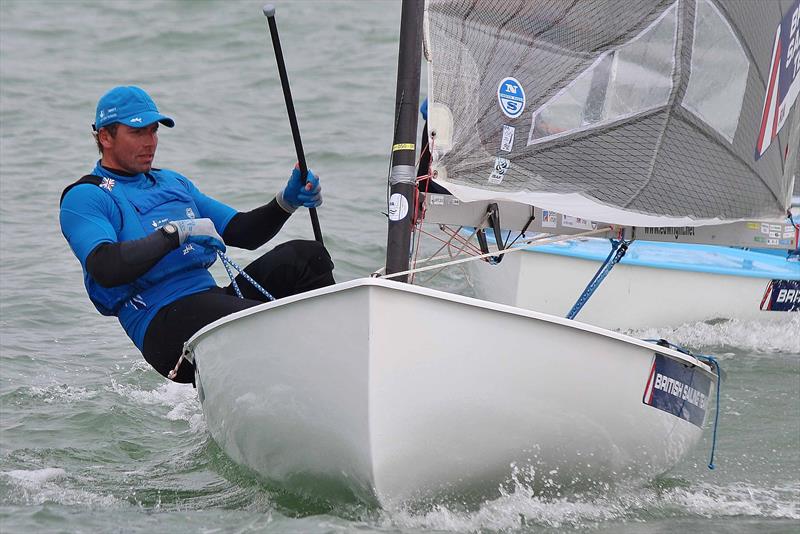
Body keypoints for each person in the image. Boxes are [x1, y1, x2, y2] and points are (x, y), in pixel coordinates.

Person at [59, 86, 335, 384]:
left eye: (153, 131)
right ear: (105, 137)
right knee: (266, 319)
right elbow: (105, 267)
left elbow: (242, 231)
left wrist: (286, 202)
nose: (150, 142)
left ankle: (342, 355)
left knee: (307, 256)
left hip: (211, 303)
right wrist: (174, 233)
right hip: (164, 326)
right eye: (138, 133)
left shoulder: (172, 183)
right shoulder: (86, 196)